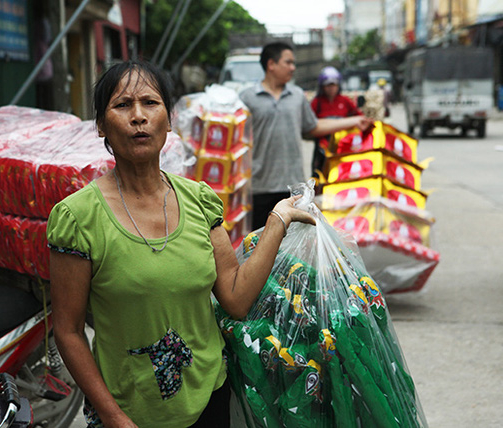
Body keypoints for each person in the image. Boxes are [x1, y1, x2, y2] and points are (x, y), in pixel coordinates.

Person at [46, 60, 315, 428]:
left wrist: (277, 221)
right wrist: (113, 417)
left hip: (210, 397)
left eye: (150, 103)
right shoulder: (77, 218)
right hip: (131, 411)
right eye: (122, 105)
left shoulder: (199, 200)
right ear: (100, 125)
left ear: (169, 120)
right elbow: (69, 330)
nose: (138, 116)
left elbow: (235, 298)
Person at [239, 42, 373, 230]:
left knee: (291, 250)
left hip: (292, 189)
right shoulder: (247, 98)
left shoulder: (297, 96)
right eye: (288, 62)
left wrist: (354, 121)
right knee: (258, 246)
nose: (293, 68)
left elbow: (314, 126)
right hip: (259, 187)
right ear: (271, 64)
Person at [310, 66, 363, 177]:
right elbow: (309, 123)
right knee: (319, 175)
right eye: (328, 85)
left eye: (334, 85)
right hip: (322, 147)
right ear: (322, 86)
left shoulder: (345, 101)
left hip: (342, 146)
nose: (331, 88)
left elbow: (359, 117)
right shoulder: (317, 103)